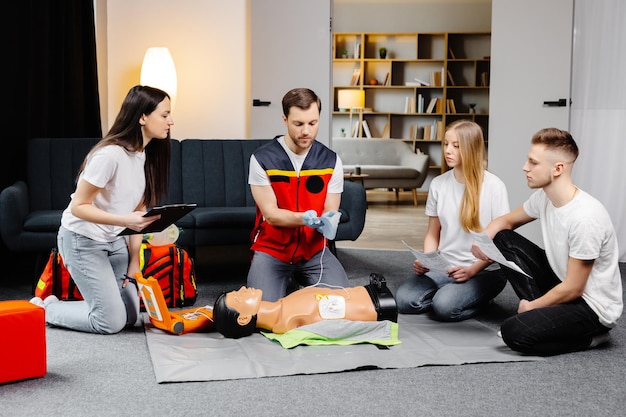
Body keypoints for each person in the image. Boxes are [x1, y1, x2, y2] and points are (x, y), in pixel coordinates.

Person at [29, 85, 174, 334]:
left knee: (130, 317)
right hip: (82, 241)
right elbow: (78, 207)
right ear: (142, 117)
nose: (170, 121)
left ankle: (99, 305)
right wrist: (123, 220)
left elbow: (138, 212)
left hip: (113, 242)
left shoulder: (145, 156)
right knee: (110, 322)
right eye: (164, 115)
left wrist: (134, 262)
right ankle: (45, 308)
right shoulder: (109, 156)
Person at [472, 127, 622, 356]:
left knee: (514, 333)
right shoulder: (544, 197)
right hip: (562, 282)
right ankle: (539, 317)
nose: (525, 167)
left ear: (558, 168)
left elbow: (574, 288)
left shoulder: (585, 218)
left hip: (591, 306)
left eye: (533, 162)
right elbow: (506, 221)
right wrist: (484, 241)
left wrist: (531, 307)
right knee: (503, 238)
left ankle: (591, 338)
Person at [395, 120, 510, 321]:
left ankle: (478, 300)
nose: (448, 150)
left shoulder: (494, 186)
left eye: (456, 146)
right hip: (446, 267)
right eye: (446, 144)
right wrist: (427, 259)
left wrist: (472, 270)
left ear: (471, 148)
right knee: (404, 301)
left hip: (485, 271)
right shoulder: (439, 184)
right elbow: (433, 232)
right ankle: (453, 296)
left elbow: (500, 242)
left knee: (444, 307)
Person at [247, 87, 349, 301]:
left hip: (313, 252)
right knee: (263, 311)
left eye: (312, 123)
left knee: (339, 303)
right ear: (285, 120)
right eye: (298, 124)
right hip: (272, 251)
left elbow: (330, 210)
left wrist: (329, 221)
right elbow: (271, 214)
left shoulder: (331, 161)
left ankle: (298, 283)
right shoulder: (262, 159)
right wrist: (303, 218)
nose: (306, 131)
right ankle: (289, 283)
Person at [214, 273, 397, 338]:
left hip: (370, 294)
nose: (244, 288)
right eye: (239, 297)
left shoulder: (285, 306)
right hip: (376, 306)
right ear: (244, 318)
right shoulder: (289, 320)